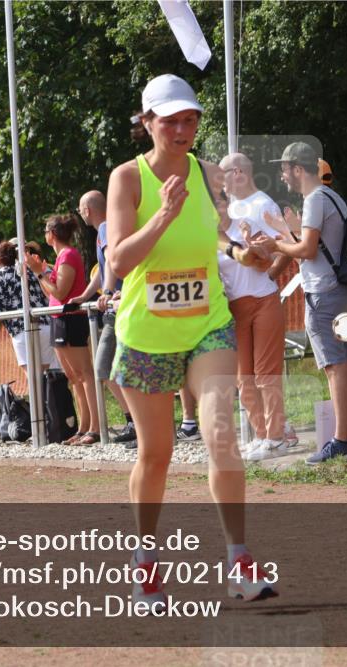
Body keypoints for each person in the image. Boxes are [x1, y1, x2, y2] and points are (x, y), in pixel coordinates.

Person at [107, 73, 276, 608]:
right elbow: (117, 261)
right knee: (155, 455)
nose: (182, 129)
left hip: (208, 323)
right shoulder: (127, 179)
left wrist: (241, 252)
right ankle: (145, 567)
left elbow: (220, 237)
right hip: (146, 332)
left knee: (222, 433)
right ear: (147, 122)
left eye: (190, 119)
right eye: (171, 120)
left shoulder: (207, 174)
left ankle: (241, 561)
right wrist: (162, 215)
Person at [252, 141, 347, 463]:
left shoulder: (315, 199)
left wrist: (275, 246)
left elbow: (307, 250)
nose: (282, 175)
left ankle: (343, 439)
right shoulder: (333, 197)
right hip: (341, 290)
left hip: (324, 293)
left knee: (335, 366)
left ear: (298, 170)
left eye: (285, 169)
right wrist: (285, 233)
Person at [218, 152, 292, 461]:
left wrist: (271, 271)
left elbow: (286, 245)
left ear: (238, 173)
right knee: (243, 379)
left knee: (265, 374)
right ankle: (263, 434)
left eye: (223, 175)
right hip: (235, 307)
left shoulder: (262, 206)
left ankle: (275, 437)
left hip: (262, 300)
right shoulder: (223, 220)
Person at [29, 213, 101, 446]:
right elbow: (51, 292)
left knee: (84, 374)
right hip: (59, 319)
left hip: (71, 319)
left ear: (52, 234)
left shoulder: (68, 255)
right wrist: (40, 271)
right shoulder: (61, 257)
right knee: (73, 377)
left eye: (46, 232)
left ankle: (96, 427)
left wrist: (39, 272)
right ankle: (83, 427)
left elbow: (60, 293)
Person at [74, 189, 136, 445]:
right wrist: (84, 295)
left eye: (80, 209)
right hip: (116, 307)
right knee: (111, 368)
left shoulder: (105, 229)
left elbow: (111, 261)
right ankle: (134, 421)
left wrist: (108, 293)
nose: (80, 213)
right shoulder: (108, 229)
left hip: (119, 308)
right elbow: (102, 269)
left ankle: (135, 421)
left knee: (105, 367)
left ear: (87, 210)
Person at [0, 240, 55, 390]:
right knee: (46, 378)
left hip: (22, 329)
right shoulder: (32, 269)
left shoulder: (0, 274)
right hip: (46, 324)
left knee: (33, 380)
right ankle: (51, 410)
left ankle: (39, 413)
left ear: (0, 260)